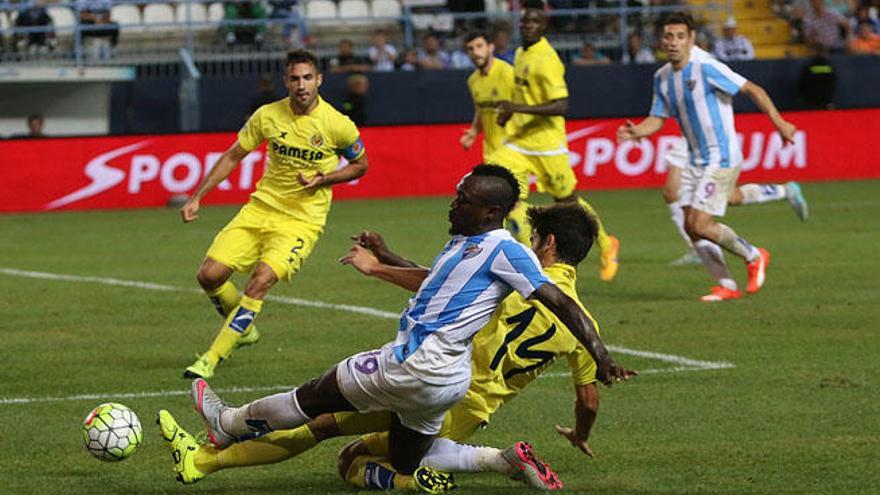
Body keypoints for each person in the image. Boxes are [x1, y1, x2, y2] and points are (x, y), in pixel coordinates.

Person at [160, 165, 633, 489]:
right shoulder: (472, 246)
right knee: (407, 459)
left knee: (313, 406)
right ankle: (464, 467)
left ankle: (223, 427)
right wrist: (386, 258)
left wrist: (604, 353)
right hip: (449, 388)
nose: (453, 203)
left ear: (491, 213)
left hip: (412, 365)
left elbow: (555, 300)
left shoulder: (509, 252)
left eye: (462, 199)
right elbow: (442, 283)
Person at [178, 50, 369, 379]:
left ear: (319, 80)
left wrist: (323, 179)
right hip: (260, 209)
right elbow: (233, 155)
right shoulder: (267, 115)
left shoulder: (338, 125)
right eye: (295, 78)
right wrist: (198, 195)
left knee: (260, 281)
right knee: (208, 275)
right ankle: (243, 330)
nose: (301, 85)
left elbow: (360, 165)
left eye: (308, 78)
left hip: (302, 220)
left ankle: (211, 358)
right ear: (286, 81)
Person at [618, 12, 797, 302]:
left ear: (691, 39)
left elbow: (753, 89)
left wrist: (780, 123)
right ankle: (726, 284)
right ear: (661, 41)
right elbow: (657, 118)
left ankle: (754, 255)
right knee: (690, 226)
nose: (673, 42)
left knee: (700, 223)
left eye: (679, 36)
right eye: (668, 36)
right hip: (694, 158)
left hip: (722, 156)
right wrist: (637, 131)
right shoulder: (662, 78)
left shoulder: (706, 67)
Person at [488, 0, 621, 282]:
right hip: (521, 140)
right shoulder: (522, 52)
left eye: (534, 22)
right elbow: (523, 93)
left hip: (548, 144)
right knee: (501, 179)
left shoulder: (547, 59)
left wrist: (517, 109)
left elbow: (560, 105)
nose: (528, 26)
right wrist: (508, 114)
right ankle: (529, 257)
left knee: (567, 203)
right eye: (524, 21)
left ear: (544, 26)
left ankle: (607, 245)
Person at [661, 135, 809, 266]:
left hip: (704, 140)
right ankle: (783, 191)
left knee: (672, 191)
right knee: (730, 197)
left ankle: (700, 249)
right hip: (693, 137)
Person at [460, 31, 515, 162]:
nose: (475, 52)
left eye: (479, 46)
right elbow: (481, 110)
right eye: (470, 48)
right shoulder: (473, 80)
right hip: (491, 153)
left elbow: (525, 106)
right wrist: (474, 131)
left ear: (490, 47)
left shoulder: (507, 73)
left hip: (514, 151)